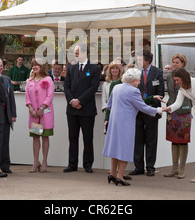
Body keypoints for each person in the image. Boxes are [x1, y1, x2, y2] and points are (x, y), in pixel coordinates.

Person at [103, 68, 164, 186]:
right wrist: (159, 110)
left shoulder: (116, 87)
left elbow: (109, 105)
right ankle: (120, 176)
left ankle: (112, 173)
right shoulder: (133, 91)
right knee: (125, 149)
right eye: (139, 80)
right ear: (134, 80)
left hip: (114, 122)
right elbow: (143, 107)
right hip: (126, 123)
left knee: (115, 148)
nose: (140, 82)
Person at [63, 44, 101, 173]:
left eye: (77, 52)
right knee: (72, 137)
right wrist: (72, 101)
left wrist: (80, 101)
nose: (75, 55)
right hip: (72, 109)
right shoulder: (71, 68)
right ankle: (72, 164)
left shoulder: (95, 68)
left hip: (87, 109)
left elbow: (93, 87)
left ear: (85, 53)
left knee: (87, 138)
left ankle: (88, 164)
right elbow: (66, 86)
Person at [129, 50, 164, 177]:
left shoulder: (157, 72)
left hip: (151, 110)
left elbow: (161, 92)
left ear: (147, 60)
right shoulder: (135, 72)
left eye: (139, 59)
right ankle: (138, 167)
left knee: (151, 140)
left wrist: (149, 106)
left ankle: (150, 167)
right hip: (137, 110)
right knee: (137, 139)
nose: (137, 61)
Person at [164, 53, 192, 179]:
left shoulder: (187, 76)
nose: (174, 64)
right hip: (171, 110)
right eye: (173, 62)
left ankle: (182, 169)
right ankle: (174, 168)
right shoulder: (169, 77)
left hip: (184, 110)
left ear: (183, 64)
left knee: (183, 140)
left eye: (177, 62)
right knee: (173, 139)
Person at [26, 58, 54, 173]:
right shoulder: (30, 81)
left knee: (45, 137)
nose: (34, 67)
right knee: (35, 137)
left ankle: (44, 162)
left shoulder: (48, 79)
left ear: (42, 66)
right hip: (34, 115)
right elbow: (27, 97)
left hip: (45, 114)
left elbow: (50, 95)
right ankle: (35, 161)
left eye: (37, 65)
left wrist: (42, 107)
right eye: (33, 65)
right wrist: (31, 108)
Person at [0, 59, 17, 174]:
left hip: (5, 115)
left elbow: (11, 98)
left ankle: (5, 165)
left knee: (5, 141)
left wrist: (13, 114)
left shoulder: (7, 79)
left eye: (2, 65)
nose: (1, 67)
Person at [102, 61, 123, 130]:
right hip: (110, 113)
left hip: (121, 113)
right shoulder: (105, 84)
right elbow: (104, 100)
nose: (115, 70)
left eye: (117, 68)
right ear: (109, 70)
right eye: (113, 68)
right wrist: (108, 111)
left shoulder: (123, 82)